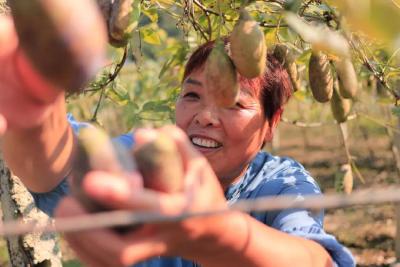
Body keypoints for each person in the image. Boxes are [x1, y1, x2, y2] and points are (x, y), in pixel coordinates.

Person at [0, 14, 355, 267]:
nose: (205, 116)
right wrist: (34, 105)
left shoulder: (282, 186)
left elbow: (314, 259)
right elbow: (60, 165)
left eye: (233, 103)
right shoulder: (146, 154)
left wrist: (218, 233)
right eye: (192, 96)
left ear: (270, 124)